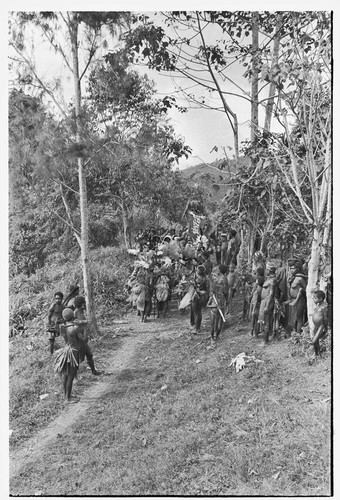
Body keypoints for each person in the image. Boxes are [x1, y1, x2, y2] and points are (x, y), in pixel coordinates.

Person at [55, 308, 84, 403]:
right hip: (73, 352)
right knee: (71, 375)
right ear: (73, 315)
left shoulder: (63, 327)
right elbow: (83, 339)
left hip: (66, 350)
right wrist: (85, 328)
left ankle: (66, 395)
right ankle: (68, 398)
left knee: (66, 375)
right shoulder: (75, 328)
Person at [73, 296, 101, 375]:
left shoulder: (81, 312)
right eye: (84, 304)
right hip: (80, 339)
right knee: (80, 359)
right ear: (81, 305)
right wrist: (83, 321)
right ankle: (73, 375)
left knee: (89, 355)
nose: (85, 305)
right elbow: (73, 322)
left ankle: (93, 371)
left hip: (84, 339)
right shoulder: (75, 312)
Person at [207, 264, 229, 342]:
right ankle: (216, 336)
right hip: (221, 302)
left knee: (213, 323)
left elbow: (211, 289)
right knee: (220, 322)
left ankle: (212, 337)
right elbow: (226, 292)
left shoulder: (216, 279)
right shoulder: (225, 279)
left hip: (215, 301)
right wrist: (227, 302)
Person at [258, 262, 278, 346]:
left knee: (266, 321)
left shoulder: (273, 280)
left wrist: (267, 306)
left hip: (268, 302)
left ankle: (264, 341)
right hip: (264, 302)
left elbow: (271, 294)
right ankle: (264, 339)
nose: (266, 271)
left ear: (269, 270)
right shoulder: (268, 279)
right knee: (264, 321)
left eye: (267, 269)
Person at [310, 290, 328, 356]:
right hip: (316, 326)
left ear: (320, 299)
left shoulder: (324, 307)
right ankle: (317, 355)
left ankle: (317, 354)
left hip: (321, 326)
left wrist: (326, 327)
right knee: (316, 342)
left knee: (314, 340)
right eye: (313, 297)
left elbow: (325, 318)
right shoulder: (318, 305)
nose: (313, 299)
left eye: (315, 298)